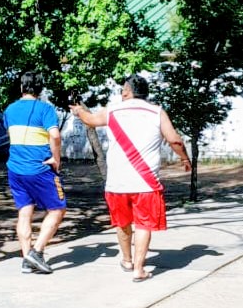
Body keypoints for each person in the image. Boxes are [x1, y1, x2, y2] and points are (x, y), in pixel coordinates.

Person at [70, 74, 191, 282]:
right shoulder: (157, 112)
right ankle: (139, 269)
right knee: (143, 225)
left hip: (117, 182)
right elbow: (175, 140)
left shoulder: (112, 110)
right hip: (146, 182)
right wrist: (184, 159)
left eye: (123, 89)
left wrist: (79, 110)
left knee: (122, 223)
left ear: (127, 91)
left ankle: (127, 260)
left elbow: (90, 120)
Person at [4, 71, 66, 274]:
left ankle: (26, 259)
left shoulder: (10, 109)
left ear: (22, 87)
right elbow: (55, 136)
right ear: (40, 89)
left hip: (15, 169)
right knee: (57, 209)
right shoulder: (45, 109)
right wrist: (56, 159)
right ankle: (36, 252)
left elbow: (11, 134)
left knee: (24, 212)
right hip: (39, 169)